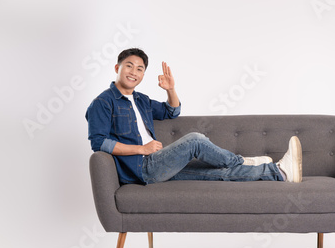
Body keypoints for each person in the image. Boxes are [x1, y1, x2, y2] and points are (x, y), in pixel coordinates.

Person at [85, 48, 303, 185]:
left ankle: (279, 172)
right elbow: (99, 143)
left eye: (140, 69)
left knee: (216, 173)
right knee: (195, 140)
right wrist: (141, 149)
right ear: (117, 67)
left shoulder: (140, 99)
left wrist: (171, 89)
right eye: (129, 66)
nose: (134, 72)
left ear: (143, 75)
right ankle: (240, 159)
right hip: (141, 168)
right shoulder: (103, 103)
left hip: (158, 164)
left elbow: (172, 111)